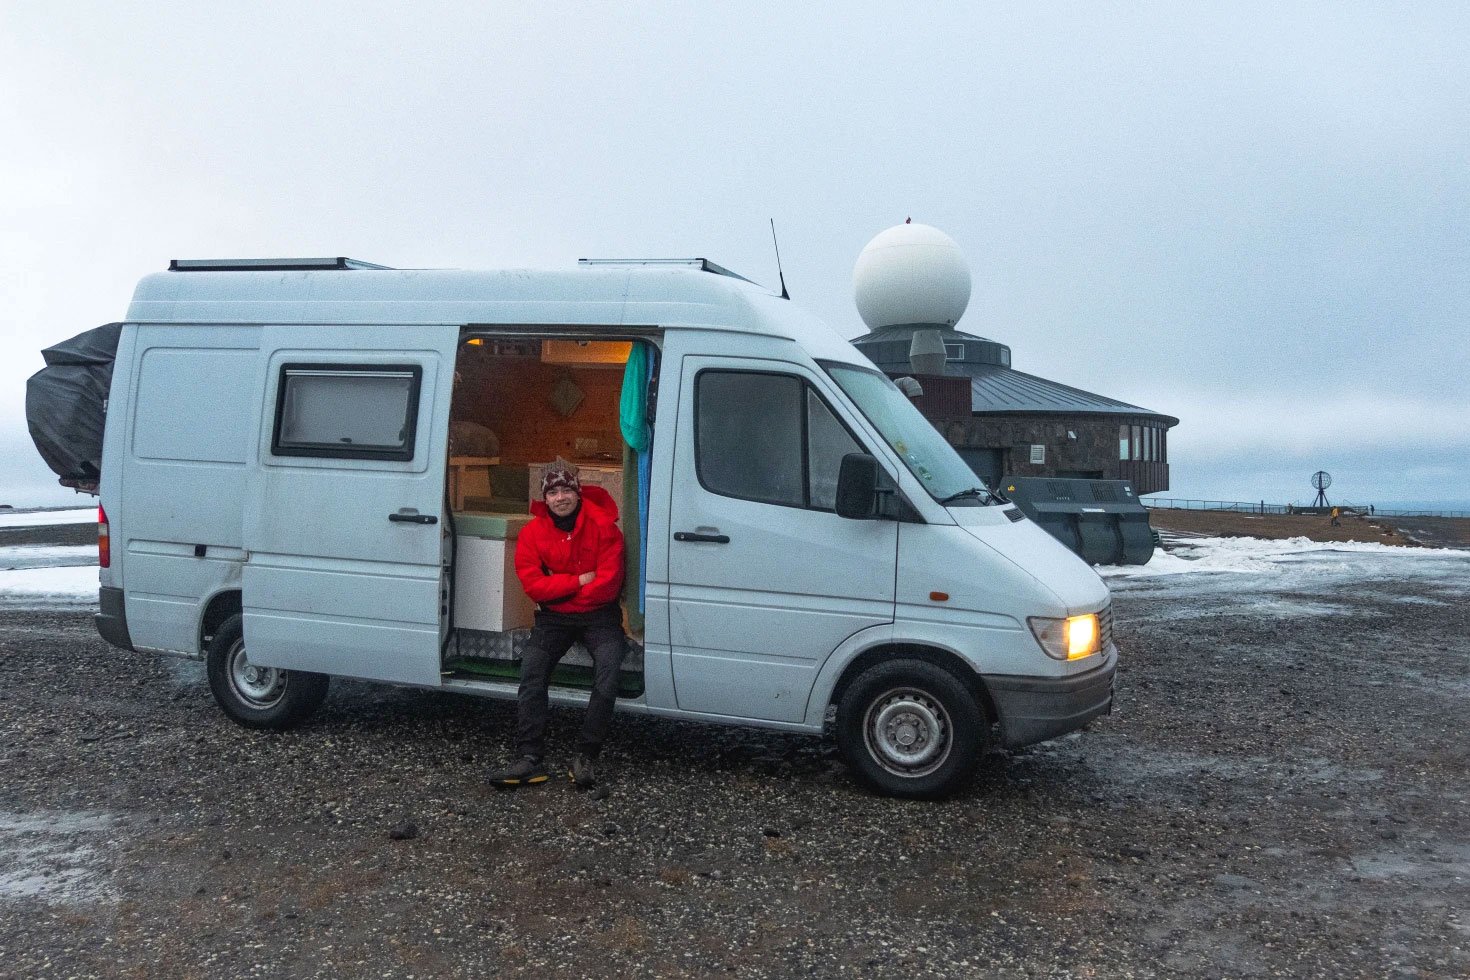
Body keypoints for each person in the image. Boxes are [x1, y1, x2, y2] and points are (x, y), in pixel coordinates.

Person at [488, 459, 627, 790]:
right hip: (554, 618)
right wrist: (578, 581)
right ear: (545, 498)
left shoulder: (605, 526)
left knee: (609, 669)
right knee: (532, 670)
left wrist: (560, 588)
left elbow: (609, 583)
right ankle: (529, 758)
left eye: (567, 490)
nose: (561, 497)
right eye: (554, 492)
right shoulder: (532, 533)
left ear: (578, 494)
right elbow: (533, 585)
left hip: (599, 615)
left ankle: (586, 756)